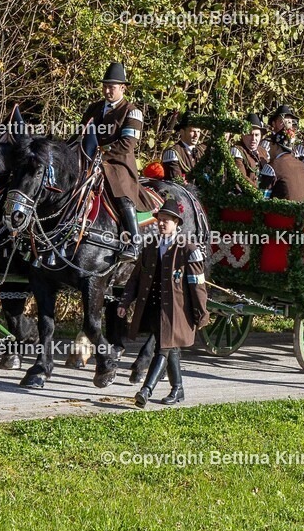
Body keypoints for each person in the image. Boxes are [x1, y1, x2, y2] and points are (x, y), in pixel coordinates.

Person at [119, 198, 209, 407]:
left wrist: (201, 314)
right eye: (159, 219)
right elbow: (135, 278)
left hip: (177, 311)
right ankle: (178, 389)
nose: (161, 223)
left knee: (162, 350)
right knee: (170, 349)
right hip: (153, 308)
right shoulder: (150, 246)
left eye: (166, 220)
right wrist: (125, 302)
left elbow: (197, 285)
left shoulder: (188, 249)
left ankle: (145, 391)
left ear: (176, 223)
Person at [79, 62, 155, 260]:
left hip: (117, 164)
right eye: (105, 86)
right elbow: (80, 135)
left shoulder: (132, 112)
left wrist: (100, 154)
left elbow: (127, 144)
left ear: (123, 88)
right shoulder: (93, 109)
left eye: (111, 87)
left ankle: (134, 242)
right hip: (88, 161)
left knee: (121, 192)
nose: (107, 91)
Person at [258, 130, 304, 201]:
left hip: (280, 208)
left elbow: (262, 199)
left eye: (270, 145)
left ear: (276, 146)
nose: (269, 149)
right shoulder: (303, 166)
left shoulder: (271, 167)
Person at [162, 113, 205, 182]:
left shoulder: (202, 150)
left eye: (198, 131)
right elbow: (177, 183)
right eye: (193, 131)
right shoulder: (173, 153)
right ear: (182, 132)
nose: (196, 135)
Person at [230, 113, 265, 187]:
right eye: (250, 134)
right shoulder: (237, 150)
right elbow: (241, 177)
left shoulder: (263, 151)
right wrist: (257, 191)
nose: (253, 139)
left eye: (256, 135)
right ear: (243, 135)